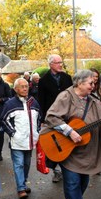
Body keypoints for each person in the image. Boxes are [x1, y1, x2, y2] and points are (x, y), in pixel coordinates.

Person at [40, 69, 101, 199]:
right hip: (67, 151)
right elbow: (52, 117)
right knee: (72, 183)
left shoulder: (95, 102)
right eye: (91, 83)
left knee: (82, 183)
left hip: (86, 153)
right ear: (79, 83)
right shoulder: (66, 96)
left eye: (94, 83)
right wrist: (70, 132)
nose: (93, 86)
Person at [1, 78, 41, 199]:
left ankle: (22, 183)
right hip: (17, 141)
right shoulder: (10, 104)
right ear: (16, 89)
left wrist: (37, 131)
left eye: (26, 86)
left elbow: (39, 117)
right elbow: (3, 120)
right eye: (22, 86)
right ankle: (21, 189)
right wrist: (13, 133)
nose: (25, 88)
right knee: (18, 164)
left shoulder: (33, 102)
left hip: (30, 141)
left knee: (27, 164)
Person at [38, 54, 73, 183]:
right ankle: (56, 171)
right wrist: (42, 120)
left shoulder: (67, 78)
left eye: (61, 62)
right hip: (51, 117)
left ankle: (67, 168)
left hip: (67, 116)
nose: (60, 65)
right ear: (51, 64)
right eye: (58, 63)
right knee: (54, 143)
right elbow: (41, 101)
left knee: (66, 142)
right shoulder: (43, 81)